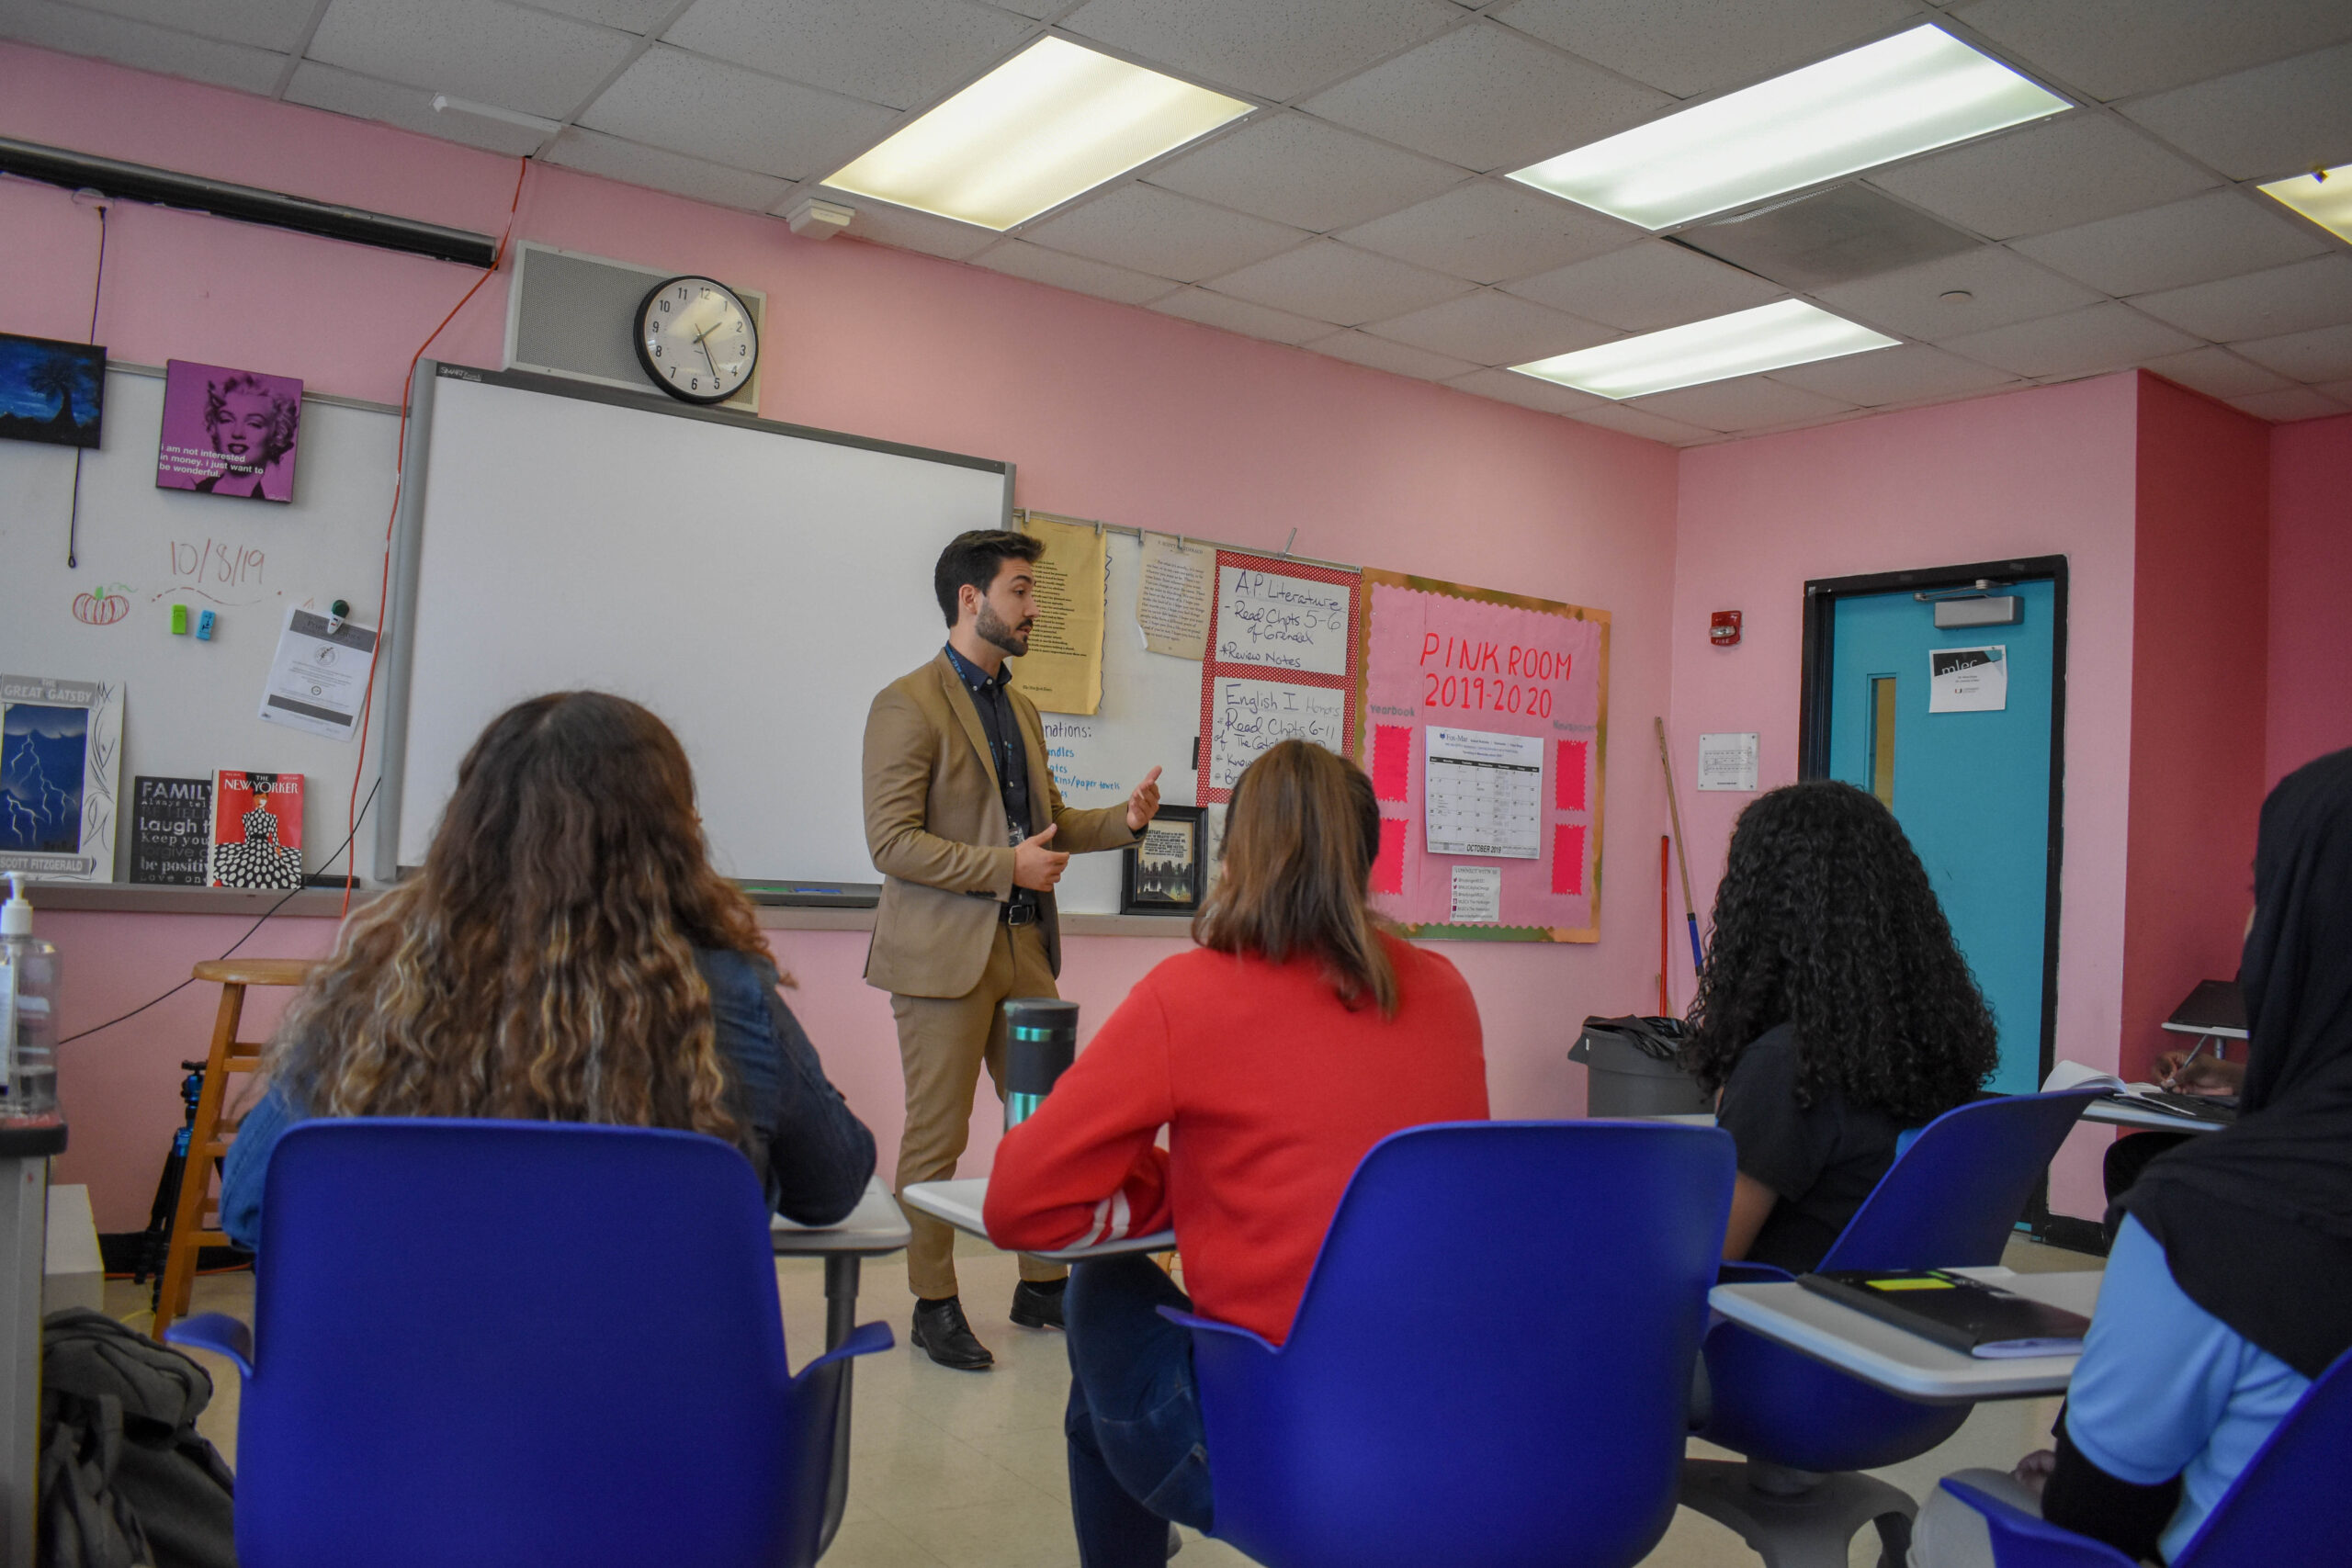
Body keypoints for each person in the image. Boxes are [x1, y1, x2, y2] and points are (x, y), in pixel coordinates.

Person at [983, 739, 1488, 1567]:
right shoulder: (1445, 990)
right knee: (1095, 1400)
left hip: (1274, 1448)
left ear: (1233, 856)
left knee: (1104, 1295)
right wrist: (1219, 1176)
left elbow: (1016, 1203)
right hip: (1442, 1425)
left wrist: (1182, 1181)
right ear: (1368, 854)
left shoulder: (1190, 994)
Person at [220, 692, 874, 1247]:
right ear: (671, 840)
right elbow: (832, 1190)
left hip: (407, 1394)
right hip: (650, 1394)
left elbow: (250, 1210)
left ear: (470, 832)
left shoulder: (383, 989)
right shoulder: (728, 994)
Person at [1912, 749, 2352, 1567]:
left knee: (1956, 1510)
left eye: (2263, 894)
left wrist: (2081, 1477)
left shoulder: (2205, 1223)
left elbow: (2097, 1506)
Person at [863, 529, 1163, 1370]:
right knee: (938, 1136)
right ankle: (933, 1301)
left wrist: (1127, 823)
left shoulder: (1020, 707)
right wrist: (1006, 866)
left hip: (1024, 945)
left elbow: (1050, 826)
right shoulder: (906, 703)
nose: (1034, 609)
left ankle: (1040, 1281)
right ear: (972, 598)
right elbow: (890, 842)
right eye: (1023, 591)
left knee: (1045, 1126)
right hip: (940, 957)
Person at [1682, 780, 1999, 1270]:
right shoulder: (1922, 1040)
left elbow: (1703, 1259)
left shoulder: (1788, 1065)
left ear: (1759, 906)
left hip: (1781, 1324)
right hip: (1881, 1310)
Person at [191, 372, 299, 501]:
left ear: (277, 433)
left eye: (254, 424)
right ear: (214, 426)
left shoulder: (278, 497)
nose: (237, 433)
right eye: (226, 420)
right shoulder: (195, 489)